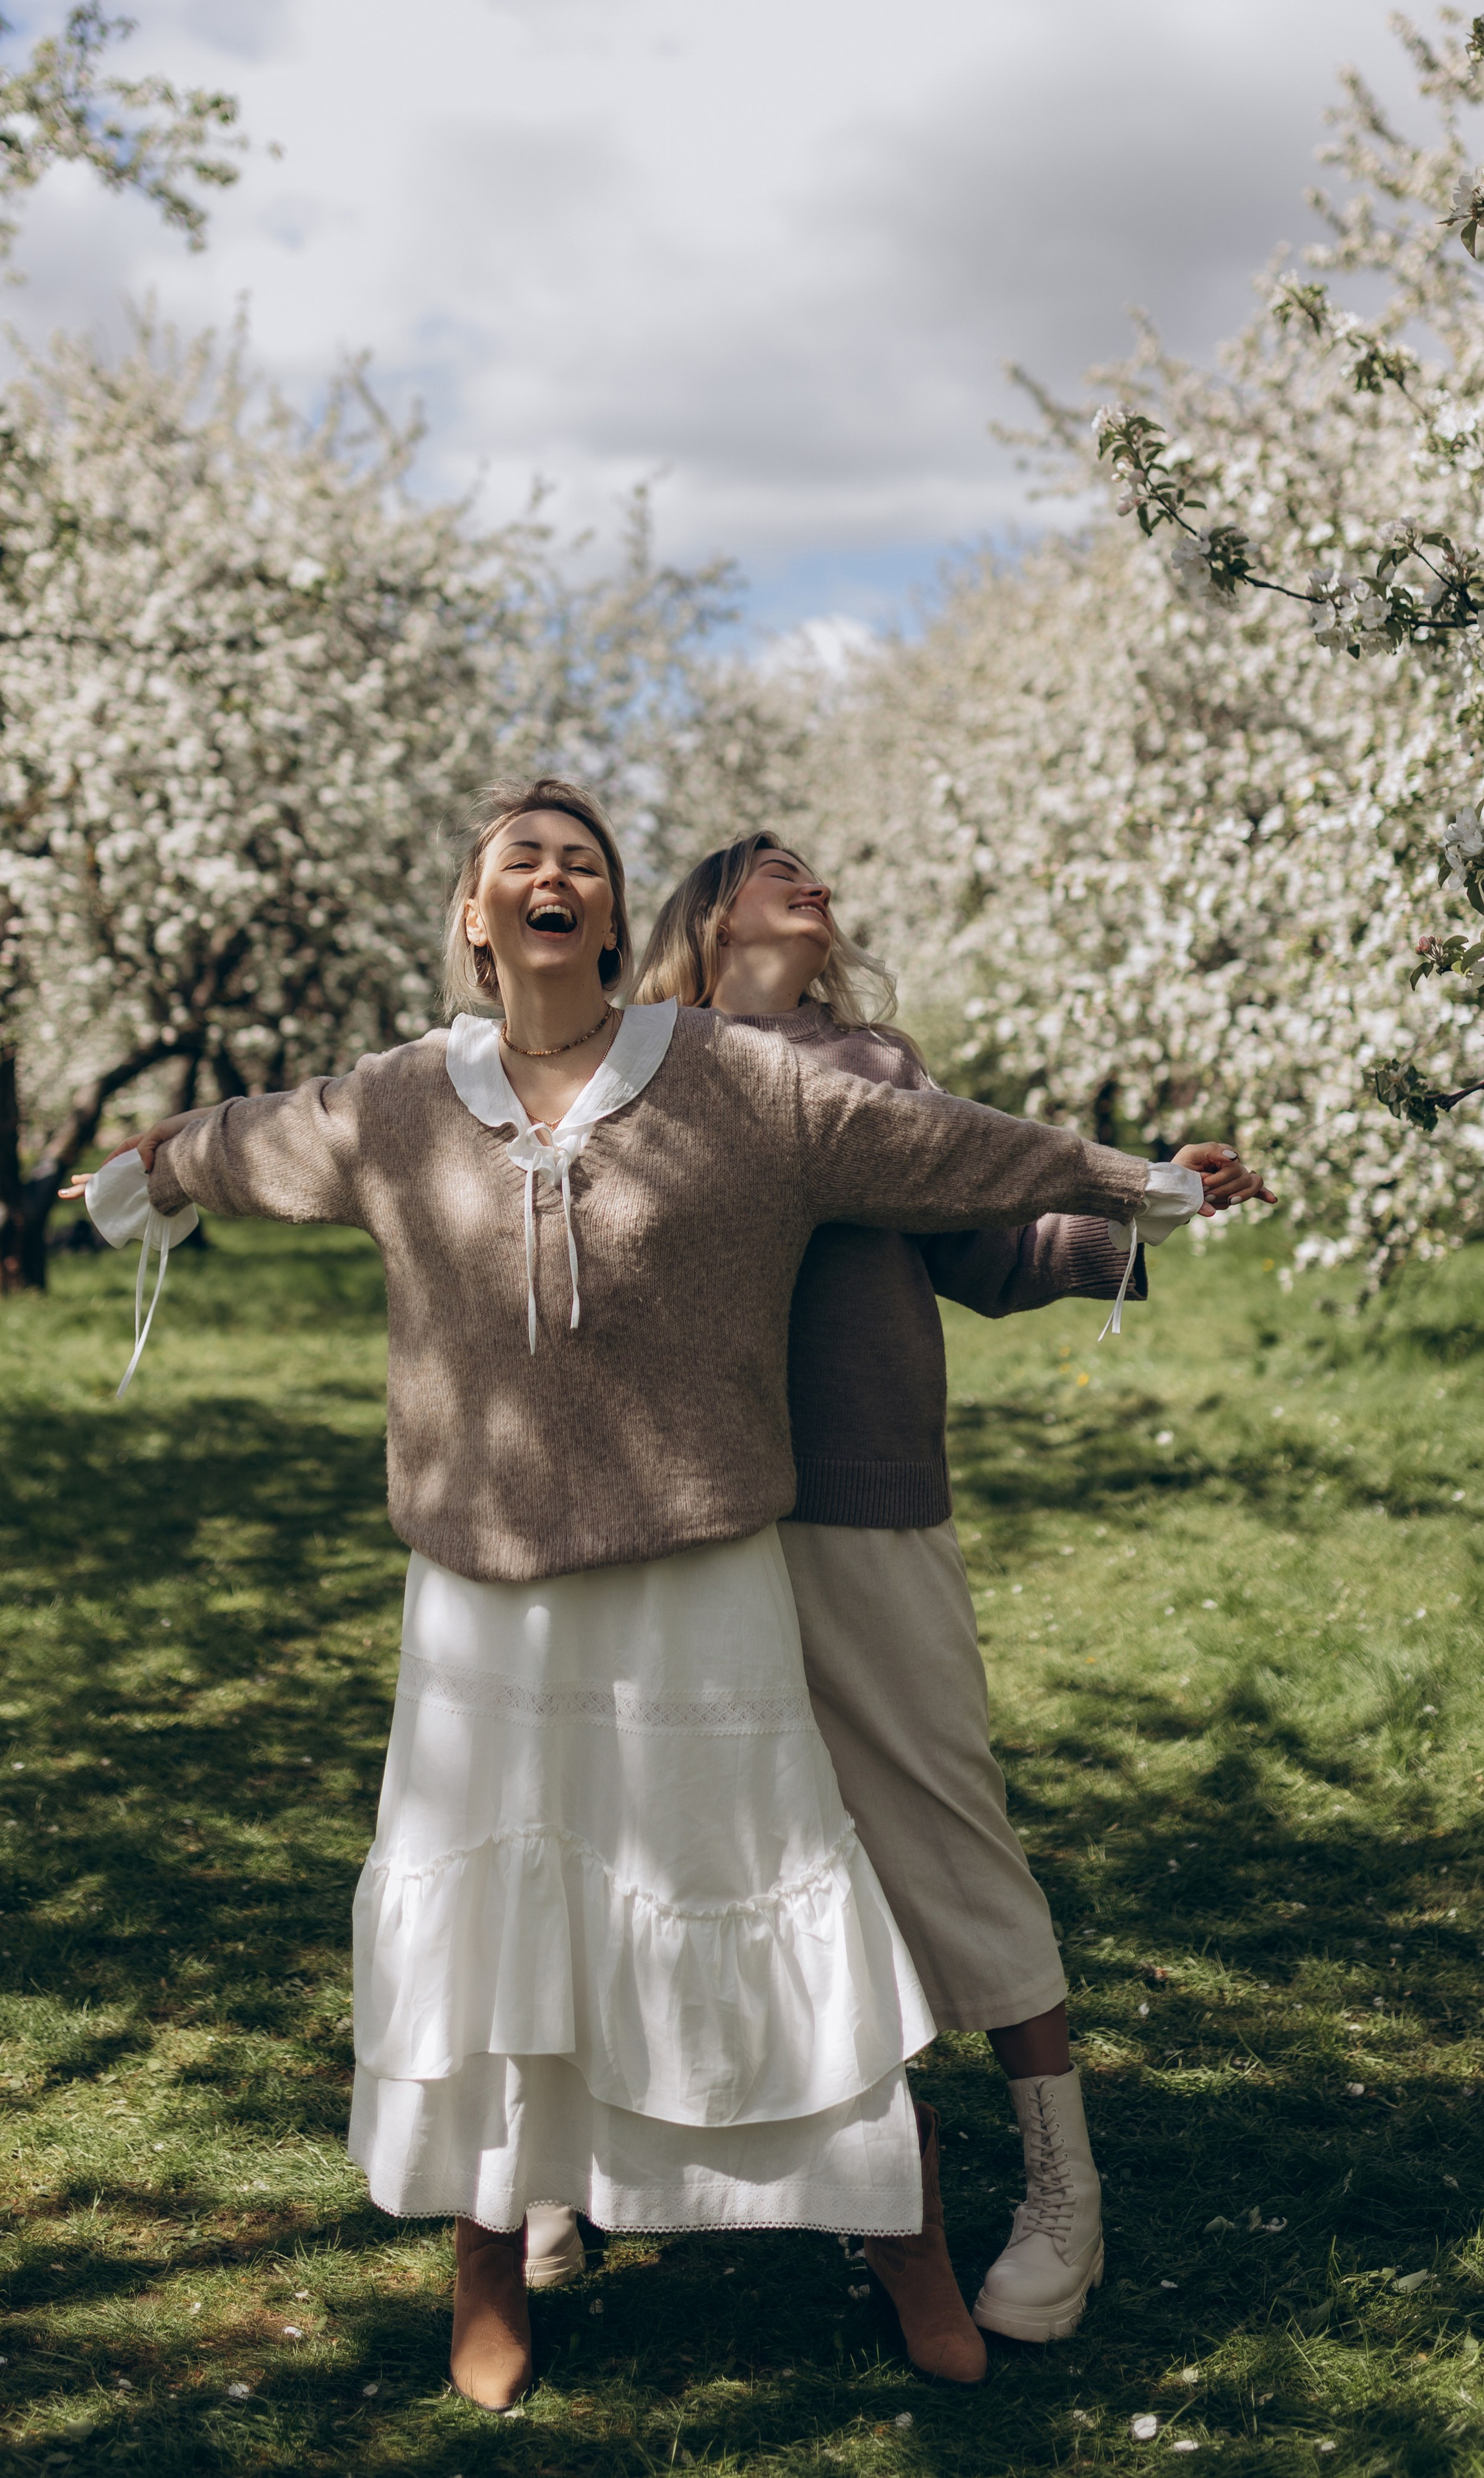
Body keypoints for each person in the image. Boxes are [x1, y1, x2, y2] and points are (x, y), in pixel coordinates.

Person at [64, 779, 1195, 2408]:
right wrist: (154, 1164)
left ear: (613, 917)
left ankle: (907, 2243)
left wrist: (1124, 1180)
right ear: (474, 918)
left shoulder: (735, 1081)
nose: (550, 876)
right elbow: (259, 1139)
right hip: (476, 1594)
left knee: (761, 1884)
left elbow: (944, 1152)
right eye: (518, 861)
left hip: (701, 1572)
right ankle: (493, 2253)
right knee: (492, 1914)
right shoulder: (399, 1101)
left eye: (581, 863)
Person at [612, 831, 1272, 2345]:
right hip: (679, 1515)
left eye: (813, 869)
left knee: (937, 1823)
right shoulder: (635, 1066)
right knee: (695, 1840)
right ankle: (749, 2182)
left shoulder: (871, 1062)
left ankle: (1062, 2183)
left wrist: (1139, 1209)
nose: (812, 877)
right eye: (775, 864)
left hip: (860, 1497)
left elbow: (985, 1239)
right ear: (709, 910)